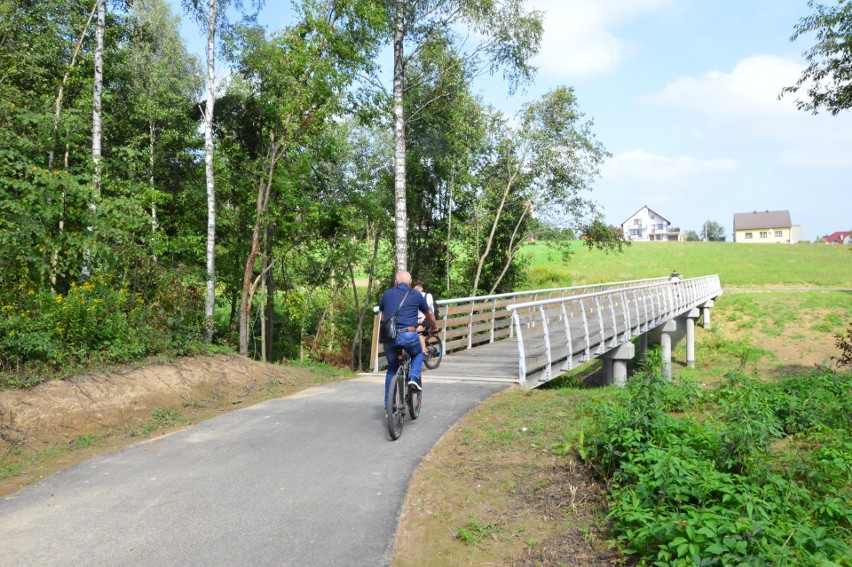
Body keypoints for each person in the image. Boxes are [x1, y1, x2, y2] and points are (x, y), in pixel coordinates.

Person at [379, 271, 437, 410]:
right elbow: (429, 313)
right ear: (410, 283)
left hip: (390, 337)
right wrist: (434, 327)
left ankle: (389, 405)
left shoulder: (387, 294)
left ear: (396, 282)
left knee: (392, 369)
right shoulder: (416, 295)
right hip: (409, 336)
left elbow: (383, 316)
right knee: (417, 354)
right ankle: (413, 378)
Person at [414, 282, 437, 353]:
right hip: (417, 319)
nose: (417, 291)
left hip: (428, 318)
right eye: (415, 289)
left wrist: (423, 318)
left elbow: (429, 309)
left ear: (421, 288)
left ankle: (424, 352)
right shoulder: (413, 297)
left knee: (418, 331)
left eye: (418, 289)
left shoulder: (427, 296)